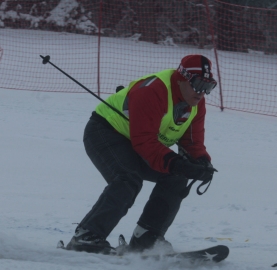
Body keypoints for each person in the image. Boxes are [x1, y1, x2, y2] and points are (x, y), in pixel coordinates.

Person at [65, 55, 218, 254]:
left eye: (208, 87)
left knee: (177, 177)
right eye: (198, 84)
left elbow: (192, 140)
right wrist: (176, 162)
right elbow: (144, 142)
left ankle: (146, 239)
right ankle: (86, 237)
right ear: (182, 78)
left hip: (139, 141)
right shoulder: (154, 91)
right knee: (128, 179)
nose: (202, 92)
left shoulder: (196, 102)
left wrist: (202, 162)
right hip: (106, 132)